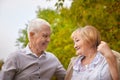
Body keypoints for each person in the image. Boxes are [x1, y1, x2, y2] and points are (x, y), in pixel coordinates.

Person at [0, 18, 66, 80]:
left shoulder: (52, 59)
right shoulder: (15, 57)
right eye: (45, 36)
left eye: (49, 36)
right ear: (32, 35)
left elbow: (68, 78)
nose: (48, 40)